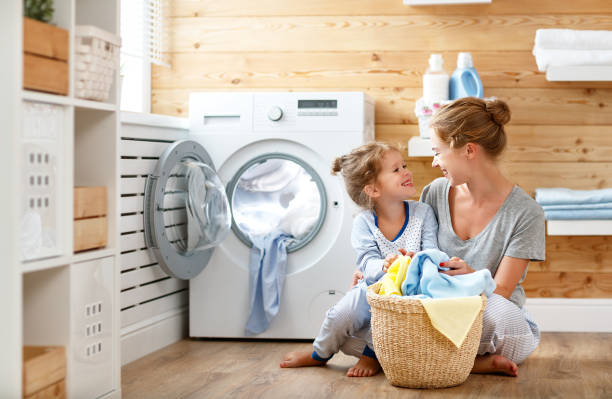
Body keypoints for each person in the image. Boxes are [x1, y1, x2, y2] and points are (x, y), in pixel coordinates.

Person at [279, 142, 438, 377]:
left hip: (412, 291)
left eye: (404, 165)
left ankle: (372, 356)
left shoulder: (422, 213)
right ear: (373, 190)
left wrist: (417, 259)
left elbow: (433, 253)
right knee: (341, 314)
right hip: (372, 285)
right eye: (396, 170)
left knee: (388, 314)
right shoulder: (363, 222)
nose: (407, 171)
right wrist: (383, 265)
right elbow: (366, 262)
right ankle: (319, 353)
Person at [421, 96, 545, 376]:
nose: (433, 162)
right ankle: (469, 363)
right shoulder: (434, 193)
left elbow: (501, 290)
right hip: (438, 307)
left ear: (468, 150)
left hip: (490, 315)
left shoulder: (526, 213)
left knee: (496, 315)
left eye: (438, 151)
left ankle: (436, 359)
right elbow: (419, 258)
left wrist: (470, 278)